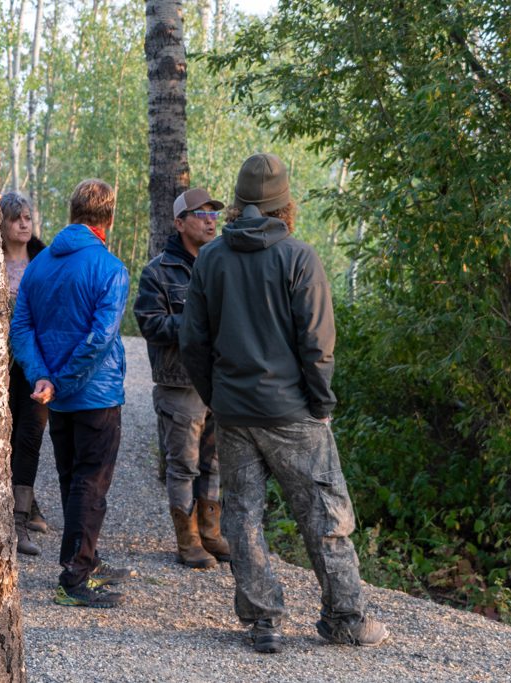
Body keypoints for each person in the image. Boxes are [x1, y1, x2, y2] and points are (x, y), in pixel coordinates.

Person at [180, 153, 389, 652]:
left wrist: (219, 398)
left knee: (244, 517)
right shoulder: (299, 257)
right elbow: (318, 345)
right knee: (325, 515)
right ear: (284, 203)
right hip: (293, 412)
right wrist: (322, 404)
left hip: (235, 412)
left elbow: (193, 343)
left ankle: (263, 622)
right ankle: (345, 619)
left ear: (238, 203)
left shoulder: (211, 258)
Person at [11, 179, 134, 608]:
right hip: (94, 396)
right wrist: (58, 379)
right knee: (90, 484)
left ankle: (81, 558)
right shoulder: (110, 268)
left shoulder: (39, 264)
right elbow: (101, 338)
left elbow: (21, 329)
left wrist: (43, 377)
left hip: (57, 397)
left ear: (71, 213)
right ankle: (75, 578)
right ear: (109, 218)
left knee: (72, 480)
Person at [134, 188, 231, 569]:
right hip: (180, 382)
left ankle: (211, 533)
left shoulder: (222, 265)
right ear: (179, 223)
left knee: (215, 462)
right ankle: (188, 540)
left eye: (213, 214)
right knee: (183, 464)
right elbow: (151, 324)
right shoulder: (157, 271)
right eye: (200, 213)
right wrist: (198, 325)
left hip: (219, 382)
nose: (210, 220)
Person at [0, 192, 49, 557]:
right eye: (15, 217)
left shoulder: (44, 260)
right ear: (0, 224)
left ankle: (19, 519)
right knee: (2, 433)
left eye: (27, 217)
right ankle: (9, 507)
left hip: (35, 364)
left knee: (30, 434)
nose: (23, 223)